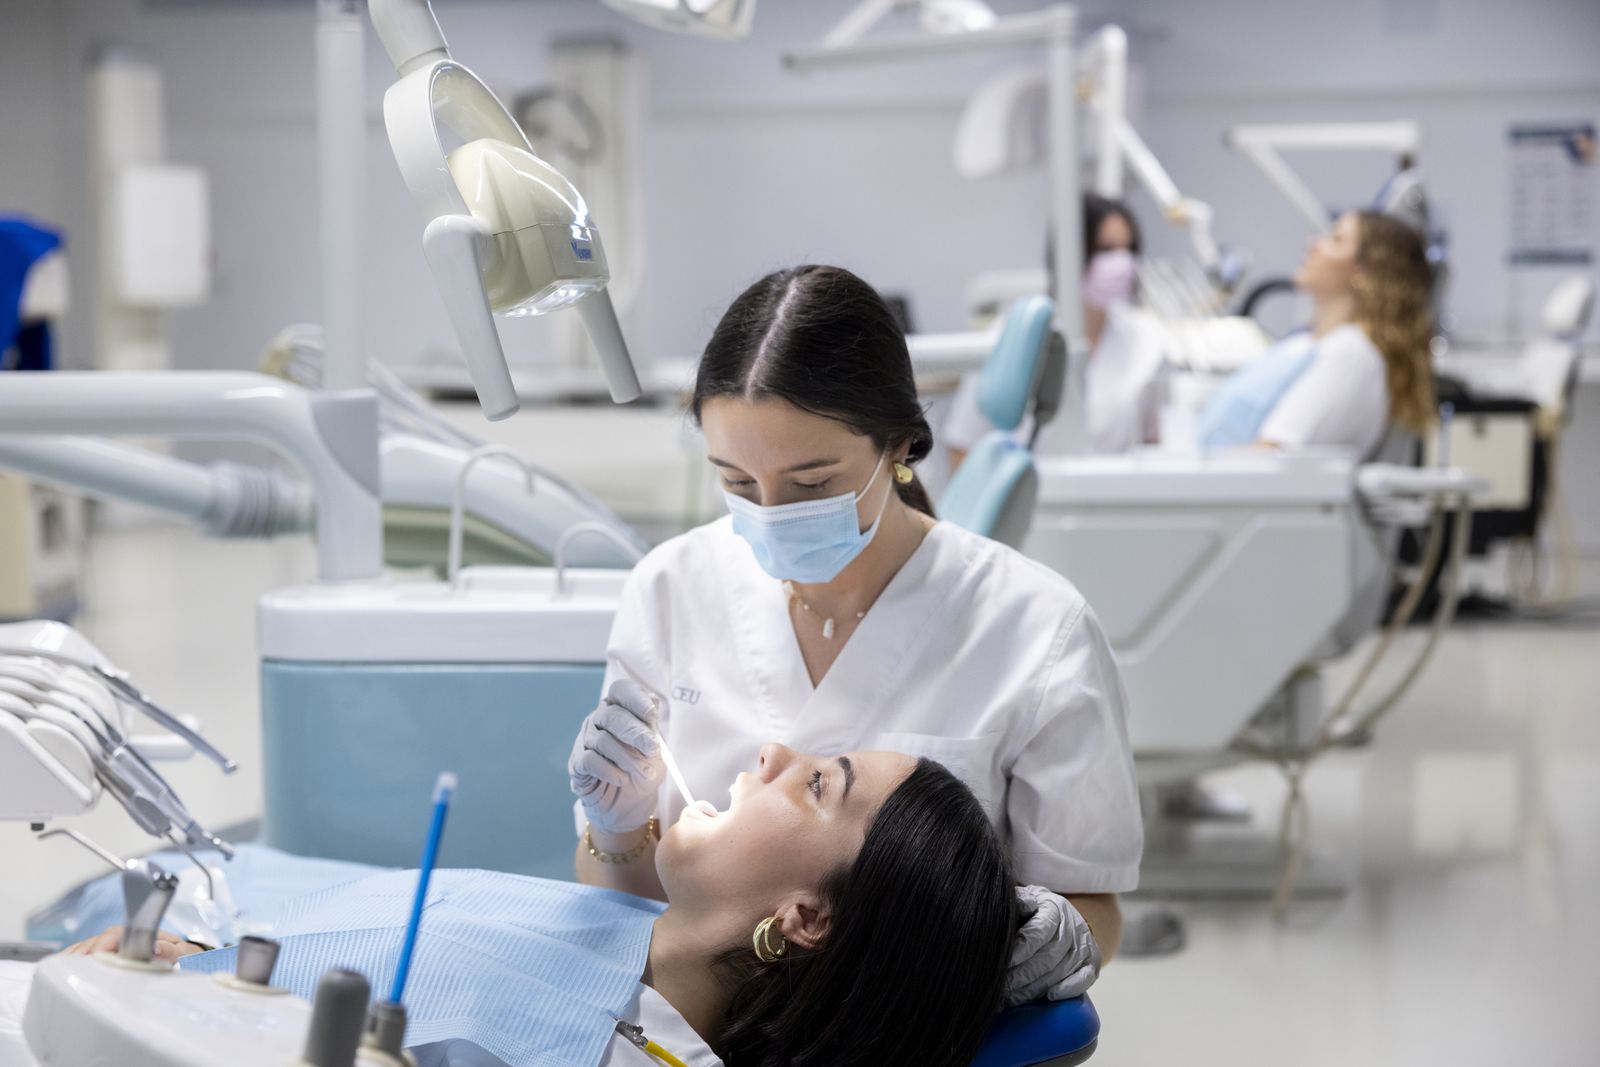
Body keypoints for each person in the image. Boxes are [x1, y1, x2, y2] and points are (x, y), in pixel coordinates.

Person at [569, 264, 1143, 1006]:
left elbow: (1093, 902)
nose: (770, 511)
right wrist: (615, 830)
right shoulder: (672, 586)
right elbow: (634, 906)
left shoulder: (1035, 628)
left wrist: (1042, 941)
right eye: (737, 482)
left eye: (811, 483)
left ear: (898, 445)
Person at [34, 746, 1018, 1067]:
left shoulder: (593, 1041)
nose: (770, 753)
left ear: (807, 918)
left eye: (816, 783)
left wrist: (160, 992)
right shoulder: (637, 940)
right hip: (174, 920)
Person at [944, 193, 1168, 460]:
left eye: (1128, 250)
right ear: (1070, 253)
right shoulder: (1013, 338)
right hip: (1034, 496)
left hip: (1117, 495)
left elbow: (1155, 443)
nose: (1120, 263)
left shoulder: (1146, 339)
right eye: (1105, 250)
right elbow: (962, 443)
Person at [1196, 210, 1435, 456]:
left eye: (1336, 240)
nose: (1314, 244)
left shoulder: (1350, 354)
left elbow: (1273, 457)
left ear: (1366, 272)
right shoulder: (1302, 345)